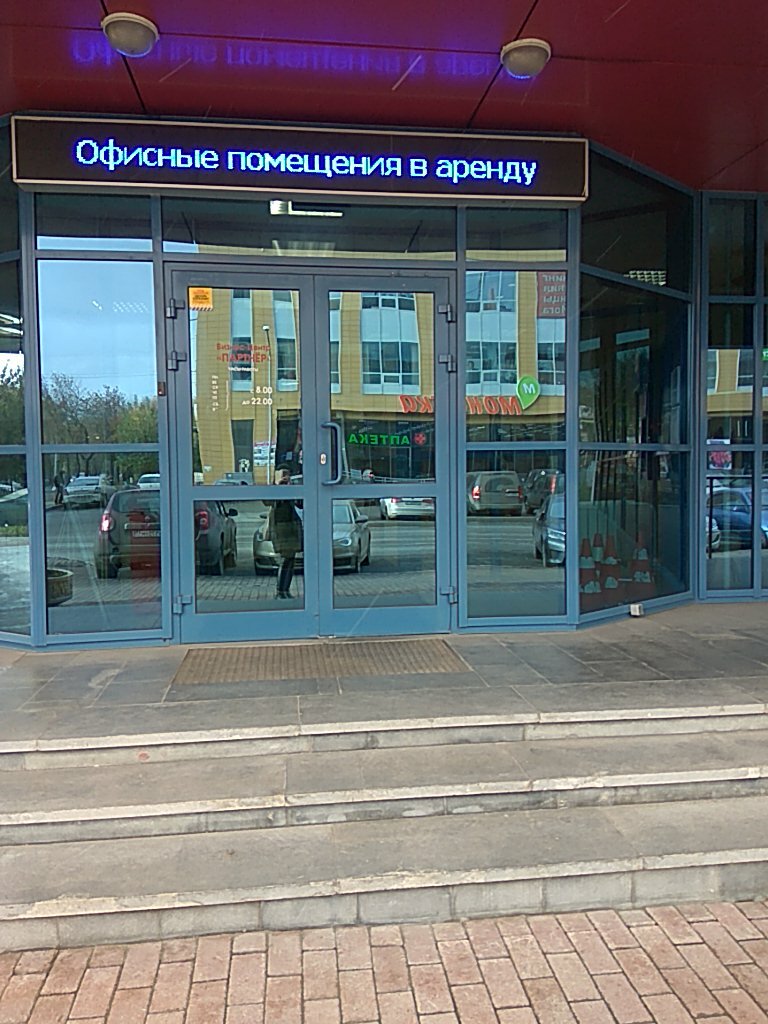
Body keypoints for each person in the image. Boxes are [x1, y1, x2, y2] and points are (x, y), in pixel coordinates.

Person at [268, 465, 302, 599]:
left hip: (291, 527)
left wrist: (292, 488)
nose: (285, 477)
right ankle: (281, 590)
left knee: (290, 560)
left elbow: (300, 504)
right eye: (283, 474)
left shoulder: (290, 489)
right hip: (282, 528)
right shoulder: (276, 490)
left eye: (287, 474)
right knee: (286, 560)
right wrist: (278, 486)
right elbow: (269, 501)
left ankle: (284, 589)